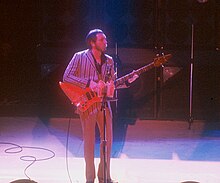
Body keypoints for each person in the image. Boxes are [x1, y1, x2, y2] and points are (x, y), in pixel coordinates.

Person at [63, 29, 138, 183]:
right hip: (87, 104)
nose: (106, 42)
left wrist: (127, 81)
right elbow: (66, 76)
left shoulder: (109, 60)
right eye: (102, 40)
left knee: (108, 141)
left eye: (105, 40)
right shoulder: (79, 57)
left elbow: (112, 84)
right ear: (92, 42)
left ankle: (104, 177)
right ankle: (89, 179)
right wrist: (89, 83)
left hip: (104, 104)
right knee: (89, 143)